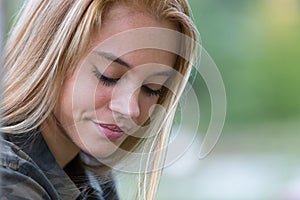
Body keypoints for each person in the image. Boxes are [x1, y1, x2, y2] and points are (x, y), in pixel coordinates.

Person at [0, 0, 198, 199]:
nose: (131, 110)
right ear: (50, 52)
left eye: (152, 88)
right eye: (109, 76)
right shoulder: (8, 181)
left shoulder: (90, 176)